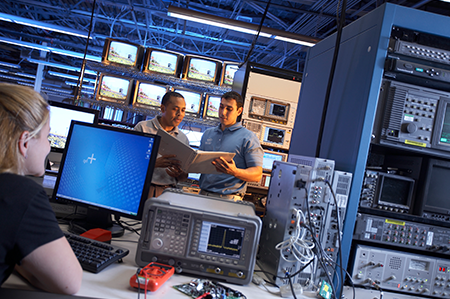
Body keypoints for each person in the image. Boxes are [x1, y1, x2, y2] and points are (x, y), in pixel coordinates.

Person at [0, 83, 82, 294]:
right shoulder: (19, 194)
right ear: (24, 142)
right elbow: (69, 284)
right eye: (47, 136)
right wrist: (22, 259)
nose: (48, 146)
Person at [199, 91, 263, 201]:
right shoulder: (208, 134)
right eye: (221, 107)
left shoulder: (248, 138)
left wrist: (234, 171)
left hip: (229, 199)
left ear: (239, 111)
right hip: (203, 195)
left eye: (229, 109)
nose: (223, 112)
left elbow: (257, 175)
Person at [134, 91, 189, 197]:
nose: (179, 114)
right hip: (143, 188)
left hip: (169, 192)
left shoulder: (183, 138)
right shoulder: (143, 128)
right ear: (163, 108)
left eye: (183, 110)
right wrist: (154, 163)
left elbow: (183, 177)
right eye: (175, 109)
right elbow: (128, 163)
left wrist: (180, 173)